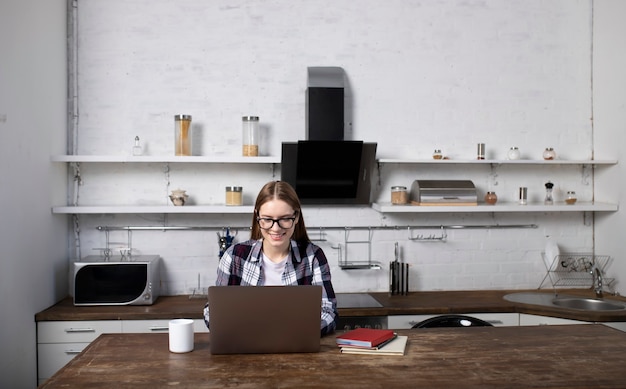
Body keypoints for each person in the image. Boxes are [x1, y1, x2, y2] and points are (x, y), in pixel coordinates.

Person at [203, 180, 338, 335]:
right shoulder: (233, 256)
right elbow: (212, 310)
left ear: (297, 217)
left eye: (285, 219)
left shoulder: (313, 257)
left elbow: (329, 311)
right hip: (244, 348)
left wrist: (296, 332)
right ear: (257, 217)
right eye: (267, 219)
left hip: (297, 348)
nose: (275, 228)